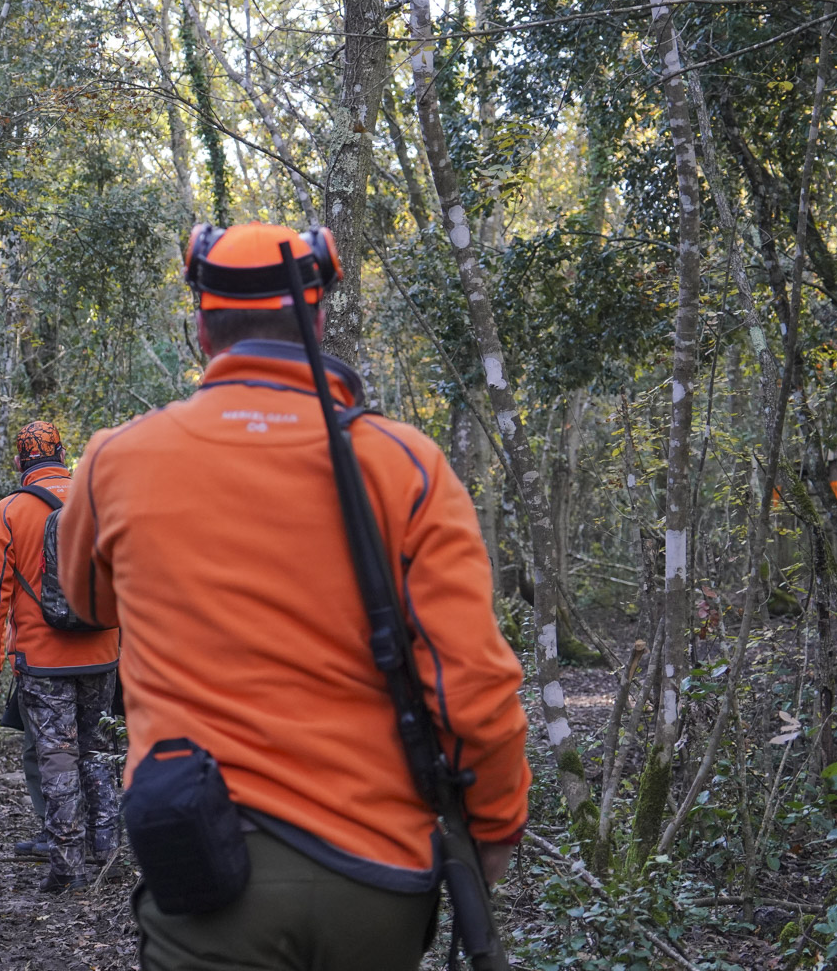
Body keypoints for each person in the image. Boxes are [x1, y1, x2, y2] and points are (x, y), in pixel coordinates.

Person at [59, 223, 530, 970]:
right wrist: (496, 825)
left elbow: (88, 603)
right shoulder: (404, 464)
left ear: (202, 327)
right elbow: (473, 683)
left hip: (205, 865)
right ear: (316, 318)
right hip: (375, 874)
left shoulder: (118, 458)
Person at [0, 420, 120, 892]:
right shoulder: (98, 498)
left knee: (56, 757)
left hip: (44, 660)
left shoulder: (8, 511)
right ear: (63, 453)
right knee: (99, 750)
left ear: (21, 462)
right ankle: (108, 852)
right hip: (104, 649)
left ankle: (67, 867)